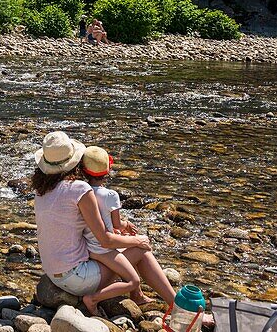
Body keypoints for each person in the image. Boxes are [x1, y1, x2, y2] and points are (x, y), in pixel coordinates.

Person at [32, 131, 175, 317]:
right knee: (141, 250)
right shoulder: (79, 189)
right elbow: (105, 240)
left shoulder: (41, 191)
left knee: (121, 249)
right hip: (77, 278)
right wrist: (138, 240)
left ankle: (137, 294)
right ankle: (179, 307)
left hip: (53, 272)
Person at [81, 146, 150, 312]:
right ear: (107, 171)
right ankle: (93, 299)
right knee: (133, 279)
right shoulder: (110, 195)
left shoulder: (81, 191)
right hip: (103, 249)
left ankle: (137, 296)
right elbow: (117, 225)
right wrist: (125, 227)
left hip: (89, 246)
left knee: (130, 248)